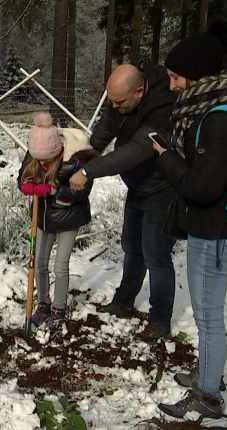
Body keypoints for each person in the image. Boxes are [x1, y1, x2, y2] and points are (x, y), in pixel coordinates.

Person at [153, 19, 227, 418]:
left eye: (177, 77)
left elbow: (201, 188)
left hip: (217, 229)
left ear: (198, 75)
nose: (174, 85)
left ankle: (208, 396)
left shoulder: (219, 120)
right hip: (224, 223)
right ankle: (207, 373)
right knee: (208, 313)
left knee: (208, 316)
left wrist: (166, 159)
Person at [69, 61, 179, 342]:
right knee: (132, 246)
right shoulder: (123, 100)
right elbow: (109, 123)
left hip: (163, 186)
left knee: (155, 253)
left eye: (120, 101)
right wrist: (92, 151)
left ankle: (160, 319)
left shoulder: (164, 105)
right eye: (111, 100)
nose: (114, 106)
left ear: (140, 92)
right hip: (138, 185)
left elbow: (139, 148)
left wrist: (89, 171)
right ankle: (124, 302)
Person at [18, 113, 97, 325]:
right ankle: (42, 303)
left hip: (68, 218)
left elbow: (82, 193)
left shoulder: (77, 158)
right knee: (39, 263)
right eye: (38, 158)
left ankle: (58, 308)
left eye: (46, 159)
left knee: (60, 266)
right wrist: (25, 184)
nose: (41, 162)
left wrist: (55, 191)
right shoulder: (35, 153)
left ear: (57, 150)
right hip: (42, 217)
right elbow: (22, 176)